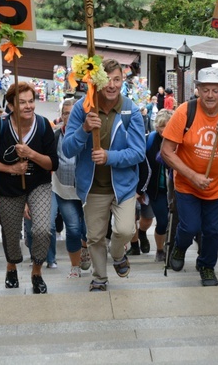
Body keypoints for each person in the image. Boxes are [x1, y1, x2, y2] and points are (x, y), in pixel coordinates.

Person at [161, 67, 218, 287]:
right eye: (206, 89)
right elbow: (166, 151)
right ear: (197, 89)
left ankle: (207, 266)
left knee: (212, 230)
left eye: (216, 90)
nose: (210, 95)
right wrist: (192, 176)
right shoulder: (184, 111)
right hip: (186, 184)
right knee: (190, 226)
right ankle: (180, 246)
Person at [62, 58, 146, 292]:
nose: (112, 85)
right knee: (95, 237)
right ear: (96, 83)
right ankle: (100, 277)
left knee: (124, 230)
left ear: (123, 81)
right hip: (93, 187)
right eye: (106, 80)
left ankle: (118, 254)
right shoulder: (82, 108)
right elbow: (68, 149)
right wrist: (84, 130)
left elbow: (139, 152)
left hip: (124, 187)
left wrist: (110, 157)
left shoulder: (131, 110)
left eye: (117, 80)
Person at [0, 81, 58, 294]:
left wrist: (31, 154)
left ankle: (37, 271)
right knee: (10, 231)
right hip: (7, 187)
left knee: (44, 229)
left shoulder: (44, 126)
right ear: (10, 105)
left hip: (39, 184)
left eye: (31, 101)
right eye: (22, 102)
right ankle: (11, 266)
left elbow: (53, 163)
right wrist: (12, 168)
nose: (28, 106)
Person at [52, 99, 90, 278]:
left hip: (87, 189)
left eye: (72, 112)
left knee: (89, 229)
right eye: (66, 113)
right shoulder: (56, 136)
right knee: (73, 228)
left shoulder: (89, 133)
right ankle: (75, 266)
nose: (68, 116)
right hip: (64, 189)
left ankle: (86, 247)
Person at [134, 109, 174, 262]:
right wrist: (140, 189)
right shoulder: (149, 141)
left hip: (174, 190)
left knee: (169, 222)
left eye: (169, 126)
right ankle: (158, 248)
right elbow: (142, 167)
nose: (166, 130)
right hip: (155, 189)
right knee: (156, 220)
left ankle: (165, 249)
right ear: (157, 127)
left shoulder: (179, 140)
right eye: (163, 126)